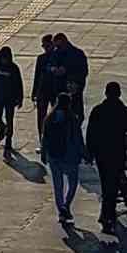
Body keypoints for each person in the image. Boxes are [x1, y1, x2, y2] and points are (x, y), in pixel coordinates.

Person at [86, 82, 127, 236]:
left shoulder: (98, 110)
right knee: (113, 184)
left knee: (105, 184)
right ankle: (107, 215)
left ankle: (106, 214)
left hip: (101, 153)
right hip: (117, 152)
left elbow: (91, 133)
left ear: (105, 93)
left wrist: (89, 152)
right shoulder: (124, 111)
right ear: (119, 94)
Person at [44, 92, 85, 223]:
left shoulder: (49, 118)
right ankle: (66, 205)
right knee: (72, 183)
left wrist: (44, 153)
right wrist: (84, 153)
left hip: (53, 155)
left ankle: (61, 208)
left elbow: (44, 137)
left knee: (58, 185)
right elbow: (78, 139)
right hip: (69, 155)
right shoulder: (73, 119)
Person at [0, 47, 24, 155]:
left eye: (6, 59)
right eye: (3, 59)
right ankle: (3, 127)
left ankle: (8, 142)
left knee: (10, 119)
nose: (4, 61)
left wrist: (20, 98)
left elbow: (19, 84)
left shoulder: (14, 68)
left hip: (10, 99)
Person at [51, 33, 89, 118]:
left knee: (75, 112)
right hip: (61, 89)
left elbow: (83, 71)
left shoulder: (77, 54)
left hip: (72, 88)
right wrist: (54, 70)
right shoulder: (56, 53)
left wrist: (75, 83)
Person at [33, 34, 59, 156]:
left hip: (55, 91)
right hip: (43, 91)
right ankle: (43, 142)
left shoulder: (59, 57)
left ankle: (55, 142)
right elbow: (37, 76)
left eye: (47, 45)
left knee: (56, 118)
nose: (44, 48)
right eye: (43, 45)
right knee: (41, 118)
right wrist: (34, 92)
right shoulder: (41, 58)